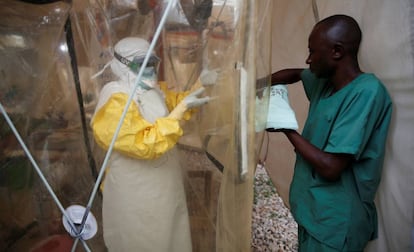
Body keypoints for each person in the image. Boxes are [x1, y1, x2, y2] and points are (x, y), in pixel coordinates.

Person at [267, 14, 393, 251]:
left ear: (336, 51)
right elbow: (294, 74)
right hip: (312, 214)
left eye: (312, 52)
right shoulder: (326, 83)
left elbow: (331, 167)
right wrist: (258, 84)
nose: (308, 59)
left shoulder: (366, 93)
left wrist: (284, 125)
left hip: (334, 224)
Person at [90, 37, 211, 252]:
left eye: (153, 63)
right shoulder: (115, 100)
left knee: (171, 234)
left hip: (164, 184)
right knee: (142, 239)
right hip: (135, 191)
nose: (150, 70)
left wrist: (202, 85)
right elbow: (144, 143)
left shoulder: (154, 90)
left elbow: (176, 103)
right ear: (122, 65)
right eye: (142, 64)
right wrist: (180, 111)